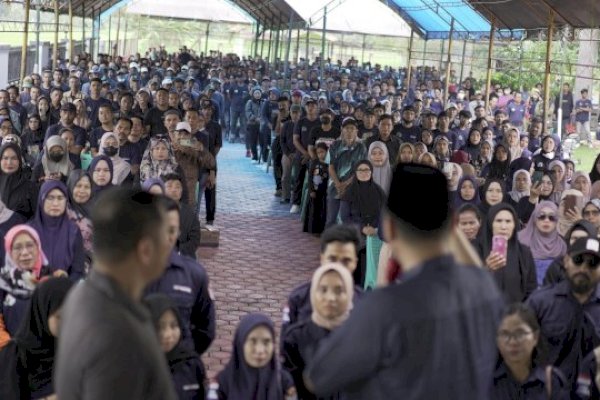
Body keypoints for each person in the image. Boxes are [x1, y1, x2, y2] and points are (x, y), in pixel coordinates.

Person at [305, 163, 504, 399]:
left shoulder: (384, 306)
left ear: (389, 228)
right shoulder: (483, 286)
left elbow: (318, 376)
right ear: (452, 226)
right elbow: (473, 271)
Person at [55, 189, 177, 399]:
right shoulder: (118, 336)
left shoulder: (85, 294)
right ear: (146, 250)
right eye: (165, 234)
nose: (170, 242)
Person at [527, 237, 600, 390]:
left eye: (592, 263)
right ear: (566, 261)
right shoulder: (541, 303)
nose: (583, 268)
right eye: (578, 260)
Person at [145, 197, 214, 356]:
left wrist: (184, 356)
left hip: (180, 370)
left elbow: (206, 329)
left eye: (171, 230)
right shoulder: (128, 272)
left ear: (178, 232)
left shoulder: (195, 275)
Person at [282, 263, 354, 399]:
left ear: (350, 294)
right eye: (323, 290)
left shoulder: (362, 335)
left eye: (339, 290)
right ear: (313, 293)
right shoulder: (295, 338)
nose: (331, 298)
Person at [0, 277, 74, 399]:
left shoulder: (80, 350)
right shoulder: (15, 356)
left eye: (75, 313)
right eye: (61, 317)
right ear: (42, 313)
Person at [284, 224, 360, 334]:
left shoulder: (364, 305)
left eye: (346, 261)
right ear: (322, 258)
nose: (338, 267)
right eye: (332, 259)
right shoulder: (298, 299)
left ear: (355, 263)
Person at [490, 303, 568, 399]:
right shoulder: (486, 381)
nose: (512, 342)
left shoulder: (551, 380)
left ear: (535, 337)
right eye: (505, 334)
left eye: (520, 334)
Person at [217, 313, 296, 399]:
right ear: (240, 343)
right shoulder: (223, 383)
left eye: (266, 342)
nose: (260, 350)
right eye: (253, 342)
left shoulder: (283, 381)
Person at [144, 293, 206, 400]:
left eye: (173, 326)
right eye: (159, 327)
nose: (168, 334)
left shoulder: (192, 364)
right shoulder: (135, 367)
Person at [0, 225, 52, 348]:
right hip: (13, 356)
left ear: (38, 247)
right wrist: (10, 350)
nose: (25, 253)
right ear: (9, 252)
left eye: (29, 245)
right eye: (17, 247)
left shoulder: (50, 280)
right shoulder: (3, 283)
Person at [475, 203, 537, 303]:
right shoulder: (476, 249)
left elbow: (531, 289)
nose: (503, 227)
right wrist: (486, 270)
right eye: (498, 221)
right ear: (490, 223)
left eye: (508, 221)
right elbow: (465, 287)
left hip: (515, 314)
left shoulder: (524, 252)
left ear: (514, 225)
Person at [341, 160, 386, 289]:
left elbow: (383, 213)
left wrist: (375, 228)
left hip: (374, 233)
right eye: (360, 170)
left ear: (371, 172)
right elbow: (345, 217)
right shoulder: (349, 192)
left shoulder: (379, 191)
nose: (364, 173)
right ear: (355, 173)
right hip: (355, 233)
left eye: (367, 170)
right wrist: (362, 228)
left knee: (372, 264)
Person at [28, 180, 86, 281]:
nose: (55, 203)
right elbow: (20, 269)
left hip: (65, 290)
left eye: (60, 198)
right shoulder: (28, 231)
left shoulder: (73, 231)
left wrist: (63, 284)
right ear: (41, 200)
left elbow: (78, 270)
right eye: (50, 198)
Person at [325, 118, 367, 227]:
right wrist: (338, 184)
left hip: (352, 187)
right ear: (342, 130)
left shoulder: (361, 147)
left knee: (345, 217)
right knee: (331, 218)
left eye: (352, 128)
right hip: (334, 186)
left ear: (356, 131)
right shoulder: (334, 145)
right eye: (347, 128)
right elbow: (330, 167)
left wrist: (345, 184)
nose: (349, 131)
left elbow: (361, 169)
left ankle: (347, 241)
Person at [518, 201, 567, 286]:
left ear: (556, 221)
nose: (546, 220)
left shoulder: (562, 246)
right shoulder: (520, 240)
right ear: (534, 219)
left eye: (552, 217)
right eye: (541, 216)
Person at [543, 220, 597, 286]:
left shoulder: (598, 265)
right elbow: (547, 290)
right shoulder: (558, 265)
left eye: (583, 238)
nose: (578, 242)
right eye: (574, 238)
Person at [140, 136, 188, 202]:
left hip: (171, 205)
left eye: (164, 148)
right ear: (151, 151)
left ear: (169, 151)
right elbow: (136, 188)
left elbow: (184, 191)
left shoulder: (176, 167)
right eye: (157, 148)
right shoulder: (144, 167)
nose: (160, 151)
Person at [0, 143, 38, 219]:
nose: (9, 162)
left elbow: (36, 217)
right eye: (5, 158)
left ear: (19, 161)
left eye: (14, 158)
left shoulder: (30, 187)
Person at [303, 142, 329, 234]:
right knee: (314, 210)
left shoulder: (329, 164)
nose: (321, 154)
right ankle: (312, 229)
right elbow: (310, 177)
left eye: (322, 152)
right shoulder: (314, 162)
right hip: (315, 190)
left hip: (325, 191)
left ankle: (322, 229)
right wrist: (311, 190)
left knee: (323, 210)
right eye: (318, 153)